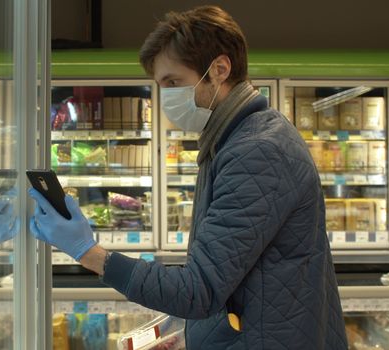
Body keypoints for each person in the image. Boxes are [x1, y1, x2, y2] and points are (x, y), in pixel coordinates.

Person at [29, 5, 348, 349]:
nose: (164, 96)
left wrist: (87, 252)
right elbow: (232, 280)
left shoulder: (257, 151)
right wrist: (194, 331)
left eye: (173, 82)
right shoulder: (234, 138)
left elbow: (199, 290)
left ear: (219, 70)